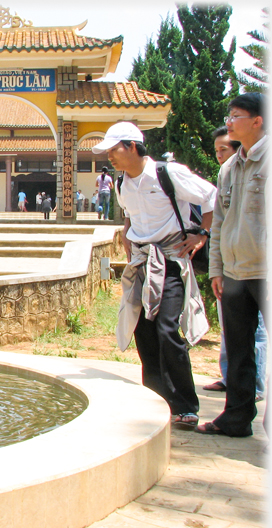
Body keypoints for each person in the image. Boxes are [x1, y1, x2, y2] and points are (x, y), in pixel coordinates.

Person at [93, 121, 216, 430]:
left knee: (166, 328)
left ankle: (185, 404)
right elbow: (130, 220)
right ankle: (156, 398)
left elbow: (211, 197)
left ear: (133, 146)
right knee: (143, 330)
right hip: (144, 263)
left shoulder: (168, 174)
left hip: (171, 261)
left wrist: (201, 234)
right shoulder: (122, 184)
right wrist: (129, 247)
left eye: (114, 149)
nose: (110, 156)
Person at [197, 93, 267, 437]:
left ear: (258, 121)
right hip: (235, 274)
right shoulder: (228, 168)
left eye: (236, 116)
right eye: (229, 115)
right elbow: (220, 223)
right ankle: (236, 419)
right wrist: (216, 270)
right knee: (238, 350)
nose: (229, 121)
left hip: (264, 271)